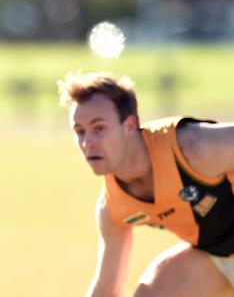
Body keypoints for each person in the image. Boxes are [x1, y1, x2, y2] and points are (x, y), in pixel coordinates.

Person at [57, 71, 234, 297]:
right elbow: (105, 289)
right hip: (218, 256)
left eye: (99, 128)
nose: (87, 142)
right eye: (80, 132)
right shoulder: (113, 208)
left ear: (130, 125)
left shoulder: (192, 147)